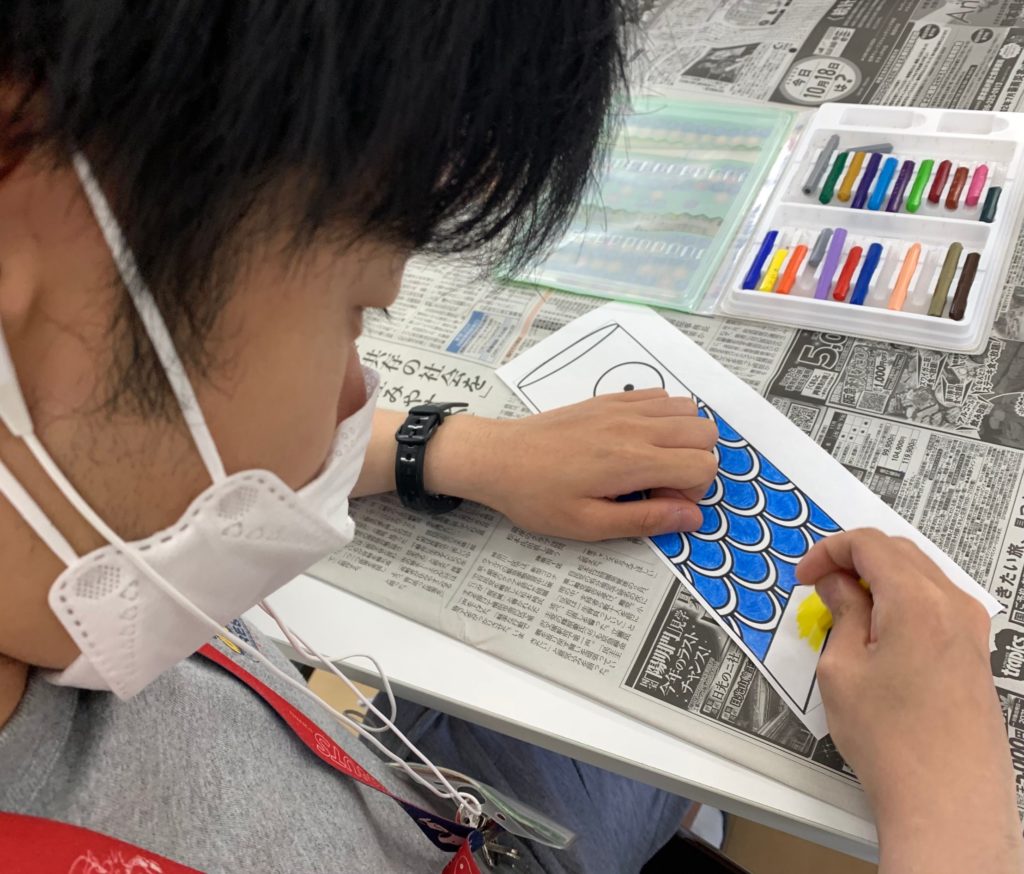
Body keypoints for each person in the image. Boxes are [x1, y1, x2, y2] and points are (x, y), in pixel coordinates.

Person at [0, 4, 1019, 873]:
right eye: (355, 311)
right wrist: (954, 802)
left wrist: (449, 450)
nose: (355, 397)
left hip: (369, 770)